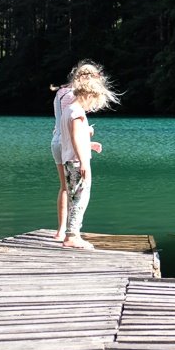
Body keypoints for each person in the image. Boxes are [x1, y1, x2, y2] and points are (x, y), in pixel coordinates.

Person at [60, 63, 118, 249]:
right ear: (88, 95)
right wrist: (84, 160)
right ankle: (72, 236)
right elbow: (76, 137)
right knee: (80, 197)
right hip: (77, 162)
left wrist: (89, 145)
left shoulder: (67, 110)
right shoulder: (77, 113)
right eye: (93, 101)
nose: (93, 105)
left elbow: (70, 138)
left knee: (73, 196)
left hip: (68, 160)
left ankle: (72, 233)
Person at [50, 61, 104, 241]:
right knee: (78, 188)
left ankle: (61, 230)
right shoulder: (75, 96)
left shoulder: (60, 92)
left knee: (65, 187)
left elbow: (62, 122)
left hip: (57, 140)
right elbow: (73, 126)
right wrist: (86, 134)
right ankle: (71, 233)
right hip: (68, 143)